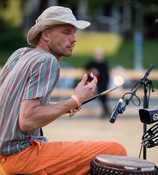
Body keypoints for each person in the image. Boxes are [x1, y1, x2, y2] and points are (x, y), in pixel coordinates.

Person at [0, 6, 127, 175]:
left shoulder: (19, 54)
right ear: (45, 34)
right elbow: (27, 119)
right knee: (115, 151)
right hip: (20, 156)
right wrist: (75, 100)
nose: (74, 39)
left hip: (4, 155)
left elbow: (15, 105)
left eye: (74, 32)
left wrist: (66, 106)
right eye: (66, 32)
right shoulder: (47, 61)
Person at [85, 47, 110, 118]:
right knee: (100, 97)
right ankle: (106, 111)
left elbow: (106, 75)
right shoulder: (92, 62)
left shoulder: (104, 63)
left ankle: (106, 111)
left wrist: (99, 74)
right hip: (96, 83)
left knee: (103, 97)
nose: (98, 56)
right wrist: (92, 70)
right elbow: (86, 67)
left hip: (103, 83)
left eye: (100, 55)